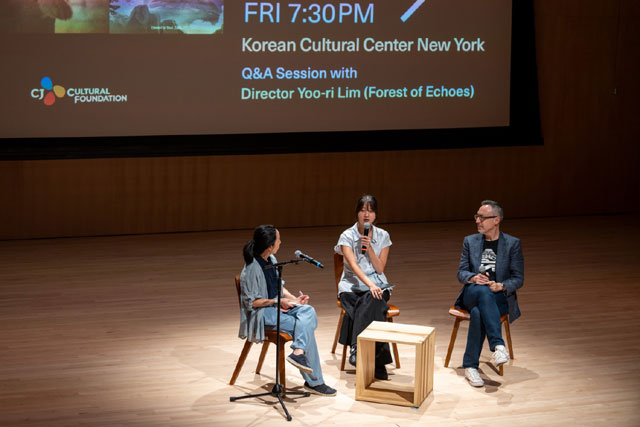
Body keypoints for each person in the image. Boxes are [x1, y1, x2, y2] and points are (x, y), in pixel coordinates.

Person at [238, 225, 336, 396]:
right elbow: (251, 302)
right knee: (303, 327)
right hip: (261, 314)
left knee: (308, 311)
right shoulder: (252, 268)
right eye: (278, 240)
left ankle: (298, 351)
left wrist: (293, 300)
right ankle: (314, 381)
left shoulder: (272, 259)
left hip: (276, 306)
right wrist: (278, 301)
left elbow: (279, 288)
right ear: (269, 245)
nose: (281, 242)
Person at [454, 200, 524, 387]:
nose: (478, 221)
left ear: (496, 220)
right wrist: (473, 277)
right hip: (472, 293)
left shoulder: (512, 244)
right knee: (482, 293)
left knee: (479, 313)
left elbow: (518, 279)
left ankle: (470, 366)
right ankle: (498, 345)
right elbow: (461, 273)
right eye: (477, 216)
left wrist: (501, 285)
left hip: (498, 297)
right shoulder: (470, 241)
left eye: (482, 217)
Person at [334, 195, 393, 380]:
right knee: (375, 304)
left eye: (371, 210)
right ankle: (380, 361)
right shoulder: (347, 236)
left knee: (370, 300)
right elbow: (352, 265)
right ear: (357, 212)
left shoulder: (383, 235)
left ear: (376, 214)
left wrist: (371, 249)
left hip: (377, 284)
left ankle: (357, 348)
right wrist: (370, 285)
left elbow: (380, 268)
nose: (366, 214)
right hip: (352, 286)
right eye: (363, 210)